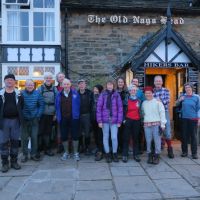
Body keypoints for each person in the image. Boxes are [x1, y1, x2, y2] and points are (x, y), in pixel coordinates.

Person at [0, 74, 23, 173]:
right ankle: (4, 163)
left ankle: (14, 161)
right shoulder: (0, 94)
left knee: (15, 142)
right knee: (3, 143)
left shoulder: (19, 94)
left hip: (15, 121)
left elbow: (22, 106)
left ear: (14, 82)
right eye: (7, 80)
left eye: (11, 80)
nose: (9, 81)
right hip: (3, 121)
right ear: (4, 82)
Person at [97, 80, 123, 163]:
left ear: (113, 86)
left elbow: (120, 108)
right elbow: (99, 108)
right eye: (108, 85)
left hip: (114, 120)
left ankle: (114, 153)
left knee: (114, 137)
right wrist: (99, 121)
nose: (110, 86)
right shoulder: (102, 95)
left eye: (111, 85)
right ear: (106, 86)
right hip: (104, 120)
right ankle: (107, 154)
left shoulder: (117, 95)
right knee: (105, 137)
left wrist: (119, 120)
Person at [56, 79, 81, 161]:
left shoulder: (75, 93)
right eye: (64, 84)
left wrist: (77, 115)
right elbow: (57, 106)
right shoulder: (58, 95)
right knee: (63, 135)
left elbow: (79, 105)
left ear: (70, 85)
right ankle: (66, 152)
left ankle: (75, 153)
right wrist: (58, 116)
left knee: (75, 135)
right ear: (62, 85)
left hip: (74, 118)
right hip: (63, 118)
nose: (66, 86)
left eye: (67, 84)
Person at [142, 86, 166, 164]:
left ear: (153, 93)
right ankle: (149, 155)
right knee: (148, 141)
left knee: (157, 140)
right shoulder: (144, 103)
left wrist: (163, 124)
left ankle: (156, 156)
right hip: (147, 125)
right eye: (146, 93)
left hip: (156, 124)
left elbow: (162, 113)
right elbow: (142, 113)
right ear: (145, 94)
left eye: (149, 93)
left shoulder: (158, 102)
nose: (148, 94)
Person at [21, 80, 44, 162]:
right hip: (24, 119)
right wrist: (21, 115)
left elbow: (41, 105)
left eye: (31, 85)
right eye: (28, 85)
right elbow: (19, 106)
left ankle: (33, 154)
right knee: (24, 138)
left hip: (34, 119)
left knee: (34, 137)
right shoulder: (21, 93)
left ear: (33, 86)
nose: (30, 86)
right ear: (25, 85)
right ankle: (24, 155)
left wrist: (38, 115)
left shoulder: (38, 93)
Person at [176, 83, 200, 159]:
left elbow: (199, 108)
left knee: (193, 136)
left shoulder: (197, 97)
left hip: (193, 119)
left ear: (192, 88)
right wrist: (179, 100)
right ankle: (184, 152)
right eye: (186, 88)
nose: (187, 89)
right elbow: (176, 104)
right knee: (184, 136)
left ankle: (194, 153)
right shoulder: (182, 96)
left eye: (189, 87)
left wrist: (199, 118)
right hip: (184, 119)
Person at [153, 75, 174, 158]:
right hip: (155, 113)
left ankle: (170, 149)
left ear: (162, 82)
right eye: (156, 81)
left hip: (164, 113)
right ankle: (157, 149)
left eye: (159, 81)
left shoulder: (166, 90)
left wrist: (159, 101)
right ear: (154, 82)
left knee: (167, 131)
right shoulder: (152, 91)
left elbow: (167, 101)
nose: (158, 82)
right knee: (156, 131)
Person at [38, 72, 57, 156]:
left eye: (50, 78)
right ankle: (39, 148)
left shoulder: (54, 89)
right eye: (47, 78)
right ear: (44, 79)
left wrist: (55, 114)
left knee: (48, 132)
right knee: (40, 131)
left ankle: (47, 149)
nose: (48, 79)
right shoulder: (40, 88)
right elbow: (37, 101)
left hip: (51, 114)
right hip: (42, 113)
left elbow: (57, 101)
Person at [122, 84, 141, 163]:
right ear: (129, 91)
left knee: (135, 138)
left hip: (136, 120)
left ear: (136, 91)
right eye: (131, 90)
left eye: (135, 90)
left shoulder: (139, 100)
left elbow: (141, 111)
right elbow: (122, 110)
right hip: (128, 120)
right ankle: (125, 155)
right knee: (126, 138)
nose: (133, 91)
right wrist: (123, 119)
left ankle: (136, 154)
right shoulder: (126, 100)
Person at [78, 79, 93, 155]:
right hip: (79, 116)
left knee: (87, 133)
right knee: (79, 132)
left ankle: (87, 147)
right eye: (80, 84)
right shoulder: (76, 93)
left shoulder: (90, 93)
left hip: (87, 115)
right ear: (78, 85)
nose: (81, 85)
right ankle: (81, 147)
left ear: (85, 85)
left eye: (83, 84)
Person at [91, 84, 104, 161]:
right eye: (94, 89)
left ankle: (100, 151)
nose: (95, 90)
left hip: (100, 119)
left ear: (100, 90)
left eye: (96, 89)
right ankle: (97, 148)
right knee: (95, 134)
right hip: (93, 118)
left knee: (100, 135)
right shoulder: (91, 96)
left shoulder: (102, 97)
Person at [116, 77, 128, 154]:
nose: (120, 83)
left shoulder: (127, 92)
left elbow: (126, 103)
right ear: (117, 83)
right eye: (119, 82)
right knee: (117, 133)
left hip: (124, 114)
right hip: (116, 114)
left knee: (124, 133)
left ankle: (124, 149)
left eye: (122, 82)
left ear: (124, 83)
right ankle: (117, 148)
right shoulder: (115, 92)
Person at [55, 72, 65, 153]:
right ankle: (59, 145)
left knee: (67, 130)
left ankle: (68, 146)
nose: (61, 78)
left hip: (68, 112)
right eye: (59, 77)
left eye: (62, 77)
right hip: (59, 112)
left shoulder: (70, 87)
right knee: (59, 130)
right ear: (57, 79)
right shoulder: (55, 88)